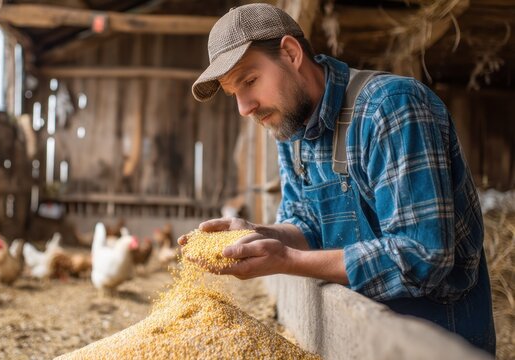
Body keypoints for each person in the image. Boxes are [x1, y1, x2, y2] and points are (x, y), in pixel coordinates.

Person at [180, 3, 495, 354]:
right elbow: (306, 226)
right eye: (233, 93)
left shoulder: (389, 109)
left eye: (250, 81)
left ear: (291, 53)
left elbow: (422, 257)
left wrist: (288, 261)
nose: (244, 107)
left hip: (435, 337)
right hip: (352, 334)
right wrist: (255, 235)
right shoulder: (291, 129)